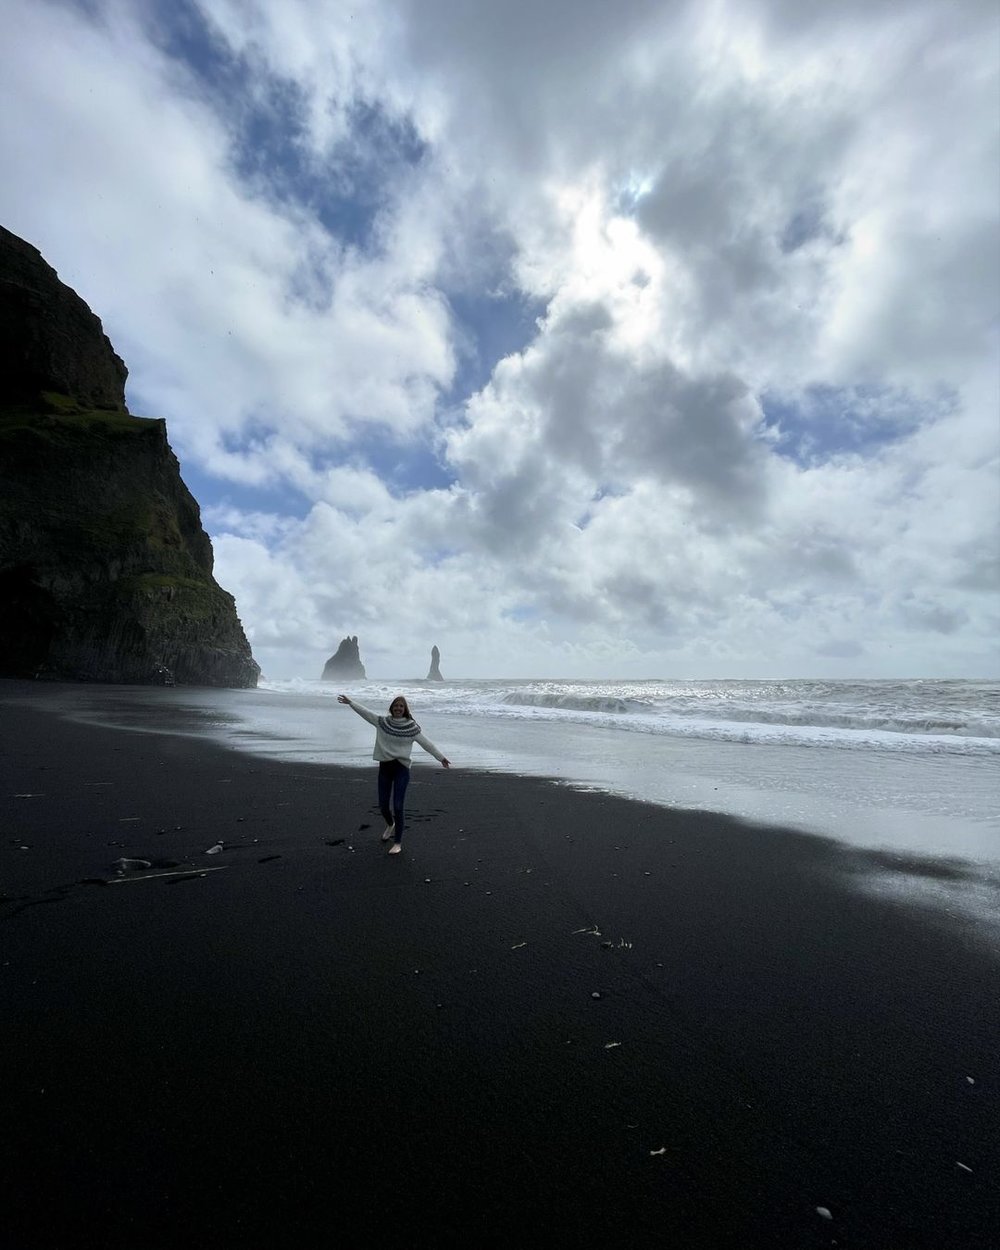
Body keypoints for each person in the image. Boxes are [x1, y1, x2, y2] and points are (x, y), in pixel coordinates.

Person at [338, 694, 450, 854]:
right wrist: (350, 703)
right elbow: (366, 713)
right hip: (385, 768)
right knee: (383, 806)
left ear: (405, 710)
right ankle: (391, 824)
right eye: (396, 706)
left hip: (401, 769)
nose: (398, 708)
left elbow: (427, 743)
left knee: (398, 806)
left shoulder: (411, 727)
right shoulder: (382, 722)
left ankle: (397, 842)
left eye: (401, 706)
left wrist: (441, 758)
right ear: (392, 708)